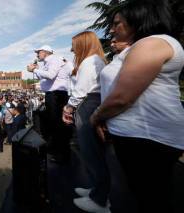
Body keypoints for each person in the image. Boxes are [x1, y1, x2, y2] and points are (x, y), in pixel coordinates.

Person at [90, 1, 184, 212]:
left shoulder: (153, 44)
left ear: (138, 21)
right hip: (138, 136)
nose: (112, 29)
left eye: (118, 23)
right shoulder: (143, 46)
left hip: (146, 139)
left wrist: (96, 117)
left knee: (150, 199)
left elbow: (122, 97)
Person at [62, 31, 109, 212]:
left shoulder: (89, 62)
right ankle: (97, 191)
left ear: (83, 44)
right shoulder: (96, 60)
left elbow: (80, 91)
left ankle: (100, 200)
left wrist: (68, 108)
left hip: (87, 103)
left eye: (74, 45)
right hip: (91, 103)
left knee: (91, 153)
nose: (72, 49)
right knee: (93, 152)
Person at [27, 45, 73, 163]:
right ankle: (57, 150)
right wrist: (38, 70)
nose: (37, 54)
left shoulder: (54, 59)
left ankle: (62, 154)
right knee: (55, 124)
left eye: (38, 52)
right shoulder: (51, 61)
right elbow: (46, 81)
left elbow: (51, 75)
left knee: (58, 125)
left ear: (45, 52)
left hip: (56, 95)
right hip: (53, 95)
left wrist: (35, 70)